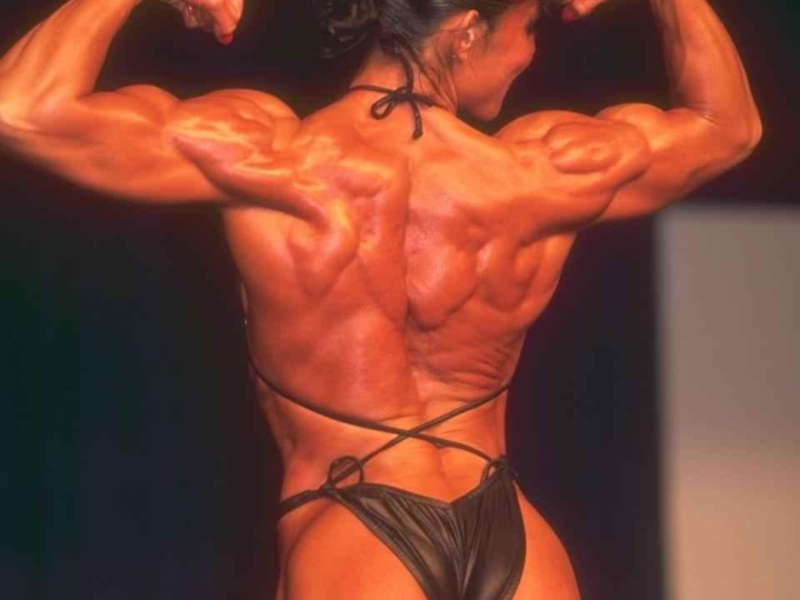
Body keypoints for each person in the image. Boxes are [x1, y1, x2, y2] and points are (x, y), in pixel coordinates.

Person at [0, 0, 760, 598]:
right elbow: (726, 126)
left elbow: (22, 108)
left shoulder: (274, 159)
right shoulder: (540, 173)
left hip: (353, 525)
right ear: (466, 33)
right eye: (527, 27)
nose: (529, 54)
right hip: (508, 529)